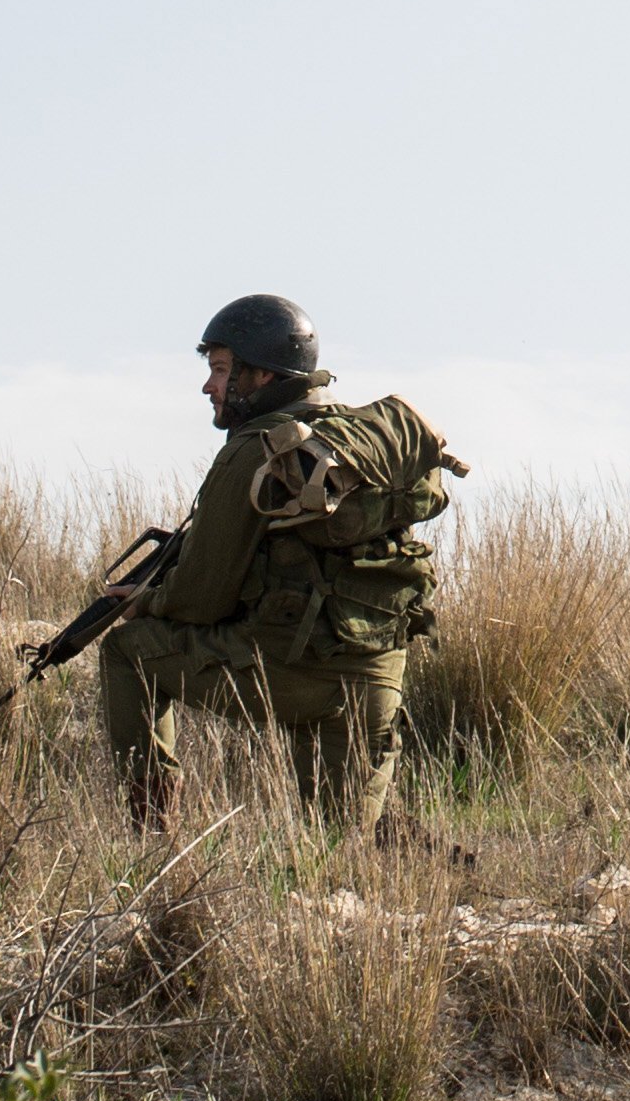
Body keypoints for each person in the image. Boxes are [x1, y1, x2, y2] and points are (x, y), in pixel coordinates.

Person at [91, 293, 454, 839]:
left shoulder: (252, 451)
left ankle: (151, 831)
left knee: (126, 653)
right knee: (337, 856)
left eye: (219, 369)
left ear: (259, 375)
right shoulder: (353, 446)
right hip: (378, 681)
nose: (209, 387)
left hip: (288, 672)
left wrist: (148, 601)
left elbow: (201, 596)